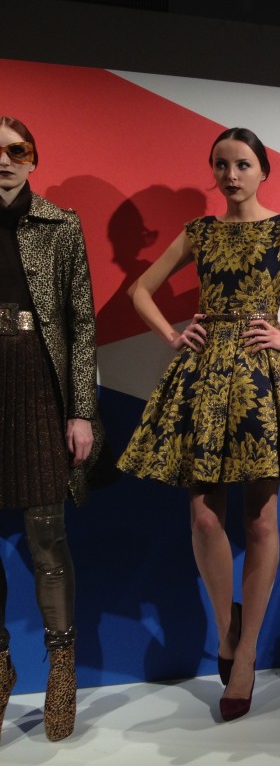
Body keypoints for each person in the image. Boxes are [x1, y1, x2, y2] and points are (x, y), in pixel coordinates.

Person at [116, 127, 280, 720]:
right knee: (204, 516)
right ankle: (227, 630)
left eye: (243, 164)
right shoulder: (199, 232)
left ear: (263, 170)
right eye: (222, 165)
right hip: (205, 378)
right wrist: (173, 334)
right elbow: (140, 290)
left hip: (263, 380)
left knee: (260, 519)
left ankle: (247, 651)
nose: (231, 175)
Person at [0, 115, 100, 741]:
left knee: (46, 537)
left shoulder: (61, 225)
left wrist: (81, 409)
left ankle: (61, 671)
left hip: (39, 384)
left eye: (16, 151)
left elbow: (82, 323)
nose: (3, 161)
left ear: (33, 159)